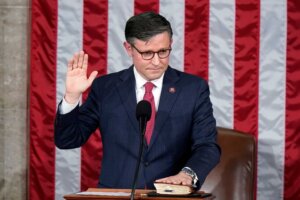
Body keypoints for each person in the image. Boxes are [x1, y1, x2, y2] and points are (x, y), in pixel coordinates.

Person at [54, 11, 220, 190]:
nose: (156, 61)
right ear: (128, 49)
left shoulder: (193, 89)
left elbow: (207, 146)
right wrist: (71, 97)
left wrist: (186, 175)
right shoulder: (105, 88)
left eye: (163, 51)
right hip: (118, 194)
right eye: (147, 53)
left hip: (170, 195)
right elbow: (68, 140)